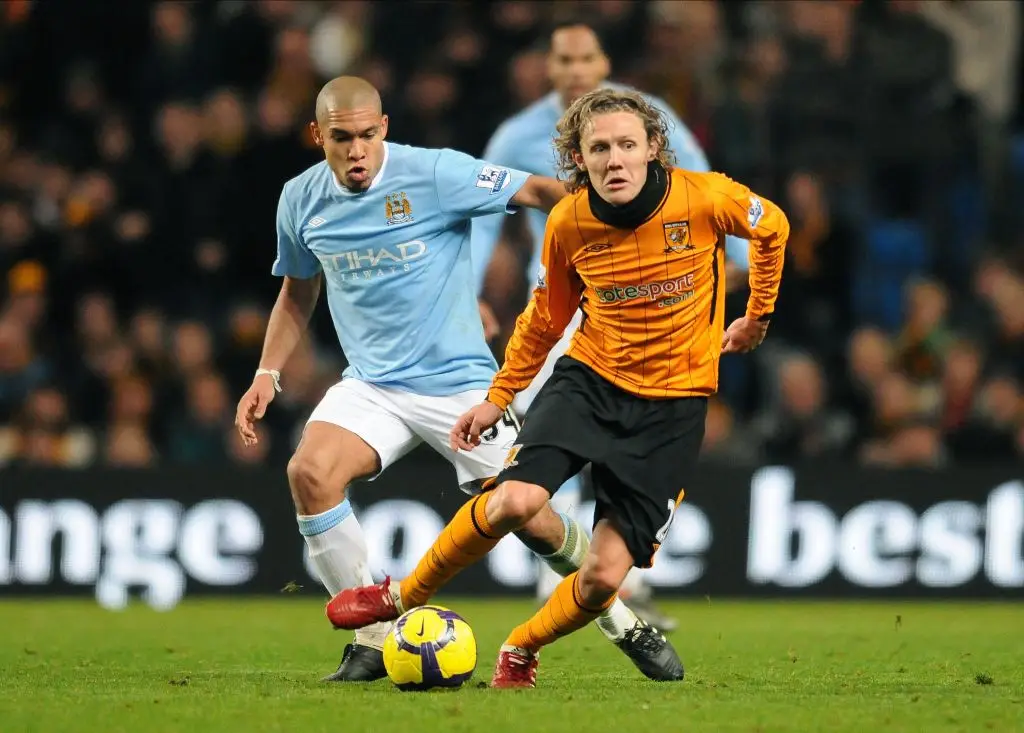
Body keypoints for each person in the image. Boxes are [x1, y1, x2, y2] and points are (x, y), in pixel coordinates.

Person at [325, 88, 789, 688]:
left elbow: (772, 227)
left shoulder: (704, 197)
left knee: (602, 579)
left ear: (653, 148)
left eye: (627, 145)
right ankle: (400, 596)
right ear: (578, 158)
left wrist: (758, 316)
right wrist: (498, 398)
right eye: (600, 149)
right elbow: (545, 319)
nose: (614, 160)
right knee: (515, 501)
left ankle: (521, 647)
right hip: (589, 383)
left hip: (672, 409)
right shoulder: (570, 221)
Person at [234, 77, 684, 684]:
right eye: (342, 138)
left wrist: (623, 224)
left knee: (532, 516)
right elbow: (297, 289)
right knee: (309, 473)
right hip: (372, 385)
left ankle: (624, 622)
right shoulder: (299, 199)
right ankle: (372, 641)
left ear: (384, 128)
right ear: (318, 135)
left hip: (460, 386)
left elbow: (538, 189)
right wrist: (266, 372)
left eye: (367, 135)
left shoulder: (435, 173)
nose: (357, 150)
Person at [472, 21, 751, 629]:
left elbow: (705, 187)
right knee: (556, 443)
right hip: (564, 304)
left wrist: (733, 265)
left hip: (646, 311)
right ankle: (562, 581)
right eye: (564, 59)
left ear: (603, 64)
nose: (576, 70)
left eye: (586, 58)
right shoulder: (517, 135)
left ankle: (619, 581)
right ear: (549, 68)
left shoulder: (647, 119)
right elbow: (482, 215)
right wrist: (471, 294)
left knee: (623, 449)